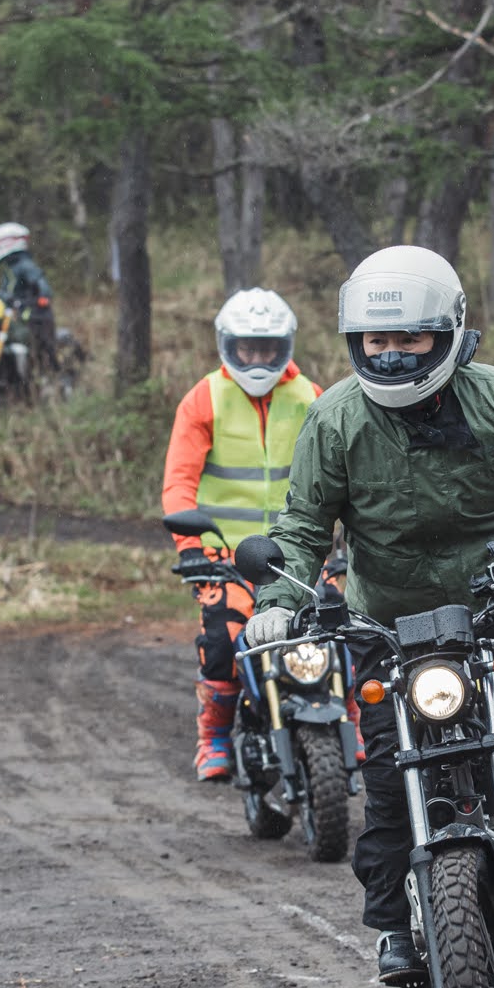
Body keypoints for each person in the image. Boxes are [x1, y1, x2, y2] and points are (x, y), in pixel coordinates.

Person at [242, 245, 494, 986]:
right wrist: (278, 604)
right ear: (356, 342)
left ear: (447, 333)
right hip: (386, 628)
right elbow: (300, 529)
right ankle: (392, 923)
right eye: (376, 341)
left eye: (408, 339)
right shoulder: (335, 419)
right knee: (388, 775)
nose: (390, 355)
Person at [162, 288, 324, 782]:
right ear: (228, 345)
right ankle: (212, 735)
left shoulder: (311, 396)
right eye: (248, 348)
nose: (258, 358)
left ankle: (353, 722)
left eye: (268, 348)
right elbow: (179, 484)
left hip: (301, 552)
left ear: (285, 347)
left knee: (343, 632)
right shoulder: (203, 398)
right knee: (222, 642)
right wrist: (191, 551)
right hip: (222, 556)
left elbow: (342, 474)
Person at [0, 222, 59, 371]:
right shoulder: (10, 268)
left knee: (43, 347)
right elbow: (8, 291)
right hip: (16, 316)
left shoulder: (25, 265)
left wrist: (42, 297)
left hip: (35, 316)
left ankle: (54, 376)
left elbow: (42, 285)